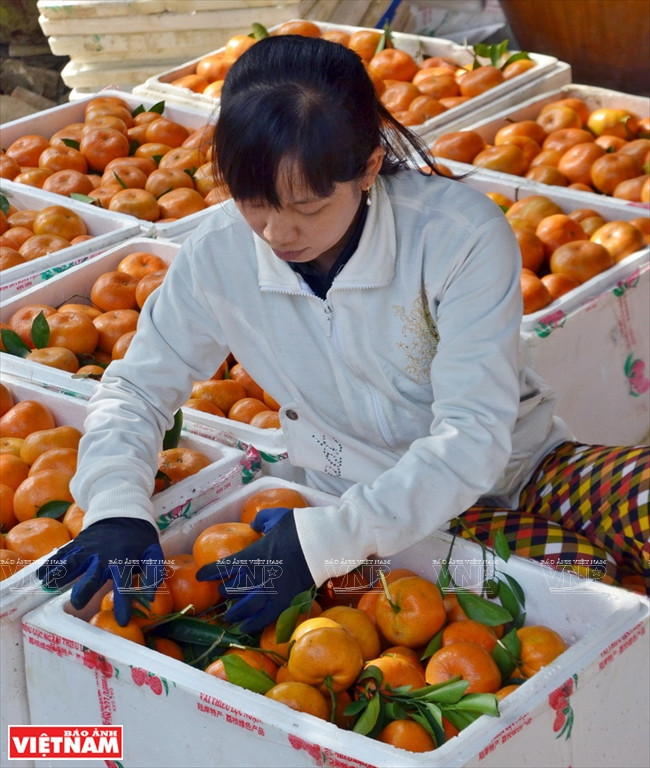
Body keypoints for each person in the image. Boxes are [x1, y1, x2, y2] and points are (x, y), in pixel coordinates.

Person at [38, 35, 649, 632]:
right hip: (359, 505)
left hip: (521, 469)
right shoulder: (218, 258)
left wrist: (325, 544)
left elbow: (472, 435)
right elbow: (137, 391)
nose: (277, 233)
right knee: (591, 590)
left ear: (368, 168)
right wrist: (116, 508)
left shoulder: (455, 236)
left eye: (306, 207)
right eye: (255, 201)